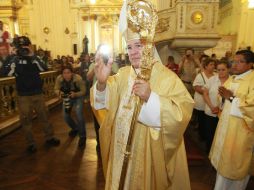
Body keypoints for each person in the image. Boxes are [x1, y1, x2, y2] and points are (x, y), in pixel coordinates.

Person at [90, 9, 194, 190]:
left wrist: (151, 99)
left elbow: (181, 115)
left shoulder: (167, 77)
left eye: (138, 45)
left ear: (150, 46)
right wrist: (101, 83)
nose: (133, 52)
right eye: (129, 47)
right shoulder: (122, 75)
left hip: (147, 155)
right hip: (119, 152)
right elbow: (103, 102)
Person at [209, 50, 254, 190]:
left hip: (240, 134)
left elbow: (251, 109)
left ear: (250, 64)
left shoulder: (252, 81)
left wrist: (231, 98)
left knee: (234, 172)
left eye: (240, 61)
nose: (235, 64)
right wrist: (222, 98)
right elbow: (223, 101)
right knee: (222, 171)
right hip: (226, 131)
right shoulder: (232, 78)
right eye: (234, 61)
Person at [7, 36, 60, 153]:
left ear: (30, 46)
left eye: (26, 46)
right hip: (23, 96)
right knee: (26, 121)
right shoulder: (15, 60)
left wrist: (33, 55)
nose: (24, 49)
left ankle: (50, 137)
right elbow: (6, 72)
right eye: (21, 47)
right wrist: (12, 57)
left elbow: (44, 68)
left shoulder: (34, 58)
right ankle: (30, 143)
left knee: (45, 116)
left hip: (38, 93)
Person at [54, 63, 86, 148]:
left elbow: (83, 91)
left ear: (72, 73)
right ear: (62, 73)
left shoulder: (78, 78)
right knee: (65, 116)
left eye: (68, 72)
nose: (66, 75)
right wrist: (59, 93)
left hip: (77, 97)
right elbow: (56, 89)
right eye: (64, 73)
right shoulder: (59, 79)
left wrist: (75, 94)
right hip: (67, 98)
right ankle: (75, 128)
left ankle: (82, 136)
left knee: (79, 115)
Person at [203, 61, 229, 153]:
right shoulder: (212, 79)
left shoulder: (232, 82)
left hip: (224, 114)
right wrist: (212, 107)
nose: (221, 72)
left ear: (228, 69)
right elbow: (205, 93)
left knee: (221, 135)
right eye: (218, 70)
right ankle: (209, 153)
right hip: (210, 111)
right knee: (210, 134)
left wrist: (219, 109)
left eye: (223, 70)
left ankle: (219, 152)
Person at [193, 58, 215, 141]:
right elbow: (196, 87)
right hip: (201, 102)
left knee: (208, 121)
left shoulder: (215, 75)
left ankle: (207, 136)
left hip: (211, 102)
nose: (213, 66)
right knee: (201, 120)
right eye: (211, 65)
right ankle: (201, 136)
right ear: (206, 66)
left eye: (213, 65)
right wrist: (207, 92)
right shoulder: (200, 75)